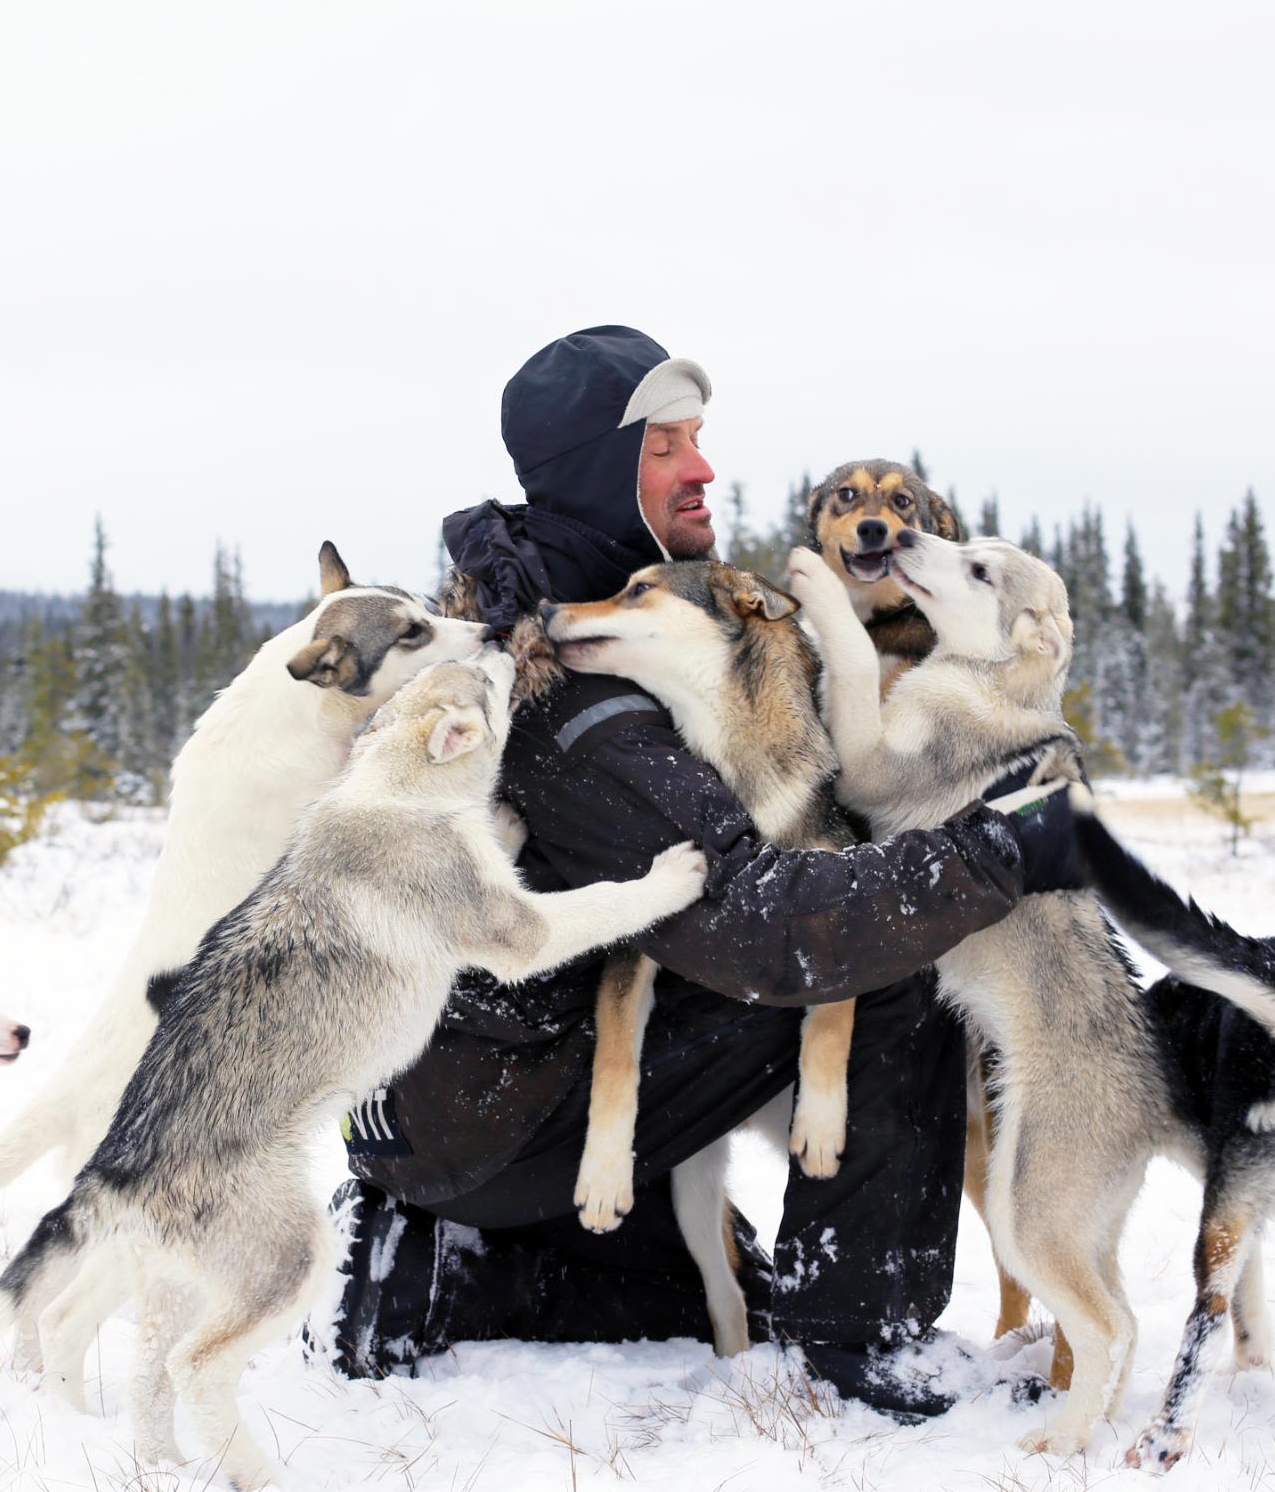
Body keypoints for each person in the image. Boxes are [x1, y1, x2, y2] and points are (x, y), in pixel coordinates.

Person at [328, 325, 1081, 1417]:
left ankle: (501, 1263)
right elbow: (752, 919)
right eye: (667, 444)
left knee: (847, 919)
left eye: (699, 437)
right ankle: (860, 1333)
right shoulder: (574, 683)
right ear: (599, 467)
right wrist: (993, 848)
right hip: (495, 1110)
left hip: (463, 1094)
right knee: (884, 943)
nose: (703, 466)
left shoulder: (559, 615)